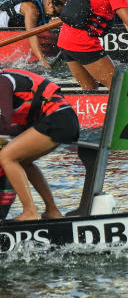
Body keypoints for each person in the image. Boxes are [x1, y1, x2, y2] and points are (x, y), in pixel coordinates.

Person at [0, 68, 80, 221]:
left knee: (7, 157)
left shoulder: (2, 81)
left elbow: (4, 123)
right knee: (24, 162)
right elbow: (15, 129)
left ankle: (30, 212)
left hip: (57, 118)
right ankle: (53, 211)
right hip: (64, 119)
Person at [0, 0, 61, 70]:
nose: (55, 15)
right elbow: (31, 34)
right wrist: (42, 60)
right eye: (55, 13)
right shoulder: (31, 8)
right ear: (49, 3)